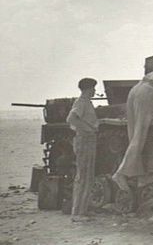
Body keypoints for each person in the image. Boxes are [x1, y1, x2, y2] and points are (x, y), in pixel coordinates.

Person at [112, 68, 153, 191]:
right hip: (147, 92)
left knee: (134, 136)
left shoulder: (150, 75)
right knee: (139, 136)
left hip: (135, 90)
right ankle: (121, 173)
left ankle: (140, 176)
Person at [66, 78, 99, 221]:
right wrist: (89, 129)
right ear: (87, 89)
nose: (95, 91)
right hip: (84, 140)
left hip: (88, 140)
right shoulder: (81, 102)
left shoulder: (87, 103)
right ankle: (77, 213)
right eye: (93, 88)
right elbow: (71, 119)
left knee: (88, 176)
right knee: (82, 176)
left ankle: (83, 210)